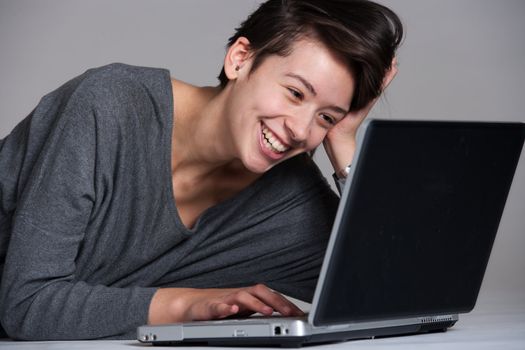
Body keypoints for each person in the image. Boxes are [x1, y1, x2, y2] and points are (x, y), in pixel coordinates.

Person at [0, 0, 402, 340]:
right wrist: (189, 305)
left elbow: (390, 296)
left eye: (325, 117)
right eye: (295, 93)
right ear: (240, 59)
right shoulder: (110, 107)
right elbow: (25, 302)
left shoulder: (289, 202)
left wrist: (345, 143)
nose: (300, 130)